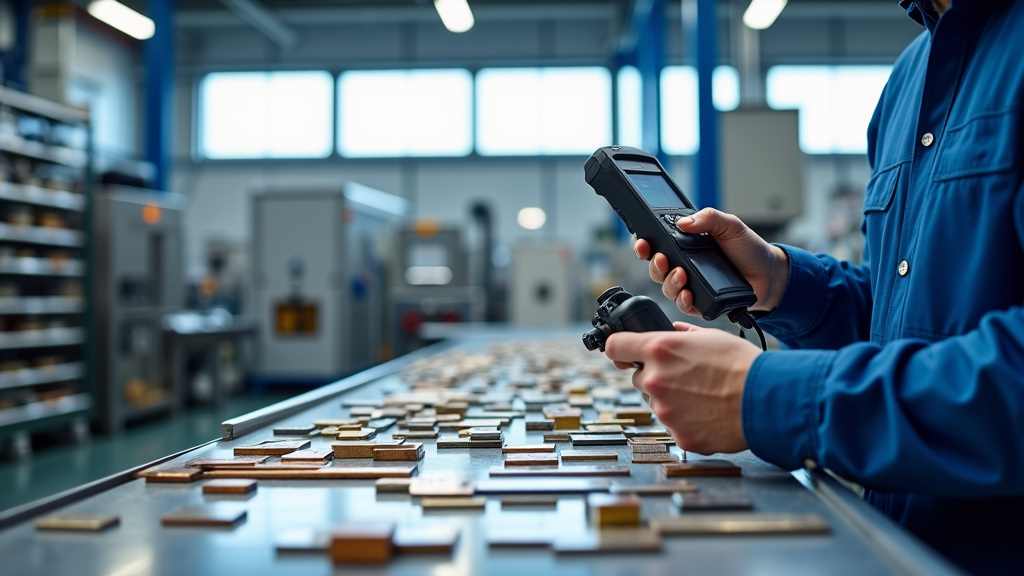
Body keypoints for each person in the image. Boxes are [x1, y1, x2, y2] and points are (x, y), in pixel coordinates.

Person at [603, 0, 1024, 573]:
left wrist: (763, 395)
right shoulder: (909, 79)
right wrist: (781, 281)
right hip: (897, 549)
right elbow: (906, 322)